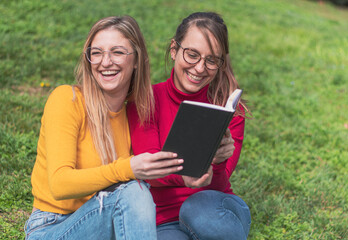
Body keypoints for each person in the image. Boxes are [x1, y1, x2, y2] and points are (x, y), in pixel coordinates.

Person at [24, 16, 183, 240]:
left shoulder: (134, 114)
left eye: (117, 52)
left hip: (105, 222)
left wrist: (212, 158)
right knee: (133, 192)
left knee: (135, 192)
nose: (105, 62)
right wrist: (127, 168)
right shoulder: (67, 100)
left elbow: (152, 170)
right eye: (96, 52)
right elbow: (59, 184)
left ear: (137, 60)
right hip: (52, 227)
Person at [127, 12, 252, 240]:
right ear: (174, 49)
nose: (200, 68)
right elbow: (149, 171)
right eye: (192, 54)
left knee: (198, 210)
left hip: (215, 209)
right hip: (164, 220)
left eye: (211, 60)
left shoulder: (230, 111)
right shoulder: (146, 100)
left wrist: (218, 161)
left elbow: (219, 184)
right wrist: (184, 178)